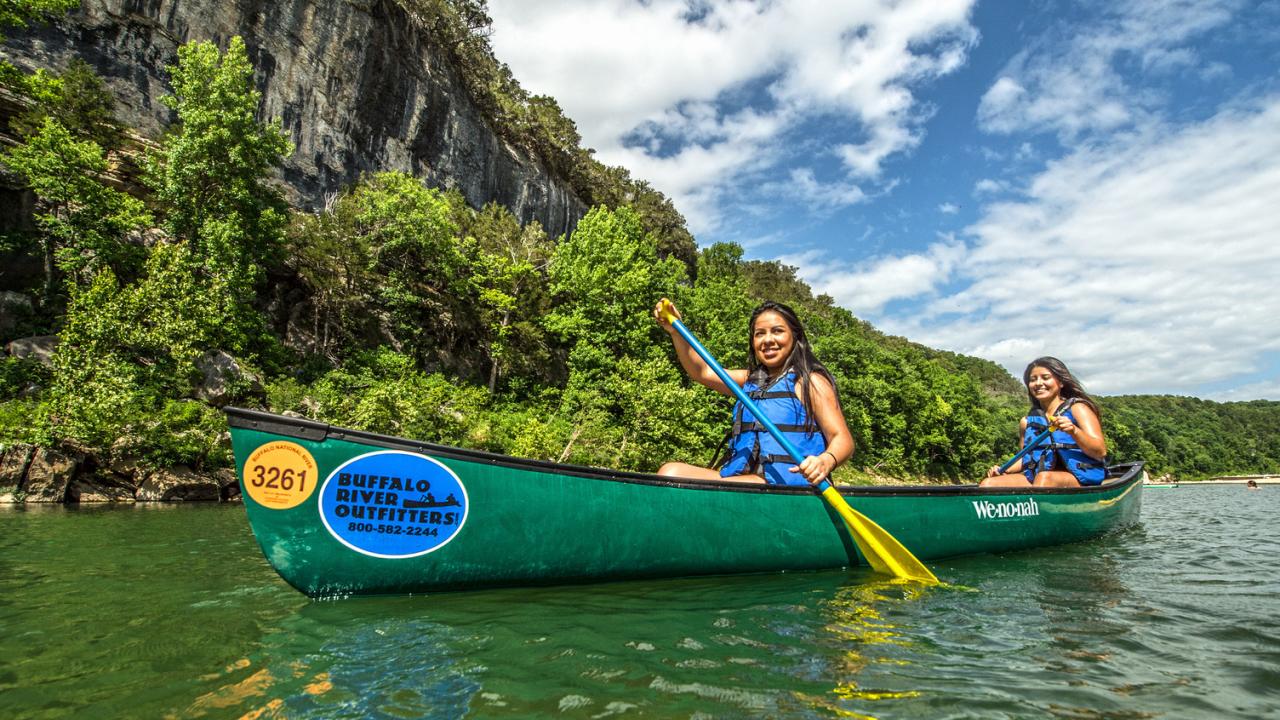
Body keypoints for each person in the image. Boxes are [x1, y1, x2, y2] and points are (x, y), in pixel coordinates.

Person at [653, 299, 854, 486]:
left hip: (785, 484)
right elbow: (702, 372)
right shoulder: (749, 380)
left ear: (795, 336)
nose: (767, 340)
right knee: (669, 472)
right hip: (743, 479)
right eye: (760, 334)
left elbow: (842, 439)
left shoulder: (810, 381)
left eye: (777, 331)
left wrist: (826, 461)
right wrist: (675, 331)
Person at [981, 357, 1107, 488]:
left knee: (1044, 478)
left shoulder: (1078, 409)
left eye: (1045, 377)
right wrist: (1003, 470)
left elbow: (1100, 451)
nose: (1038, 383)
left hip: (1077, 478)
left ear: (1061, 382)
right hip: (1040, 480)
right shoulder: (1026, 422)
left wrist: (1074, 431)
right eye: (1033, 379)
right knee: (988, 484)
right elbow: (1025, 459)